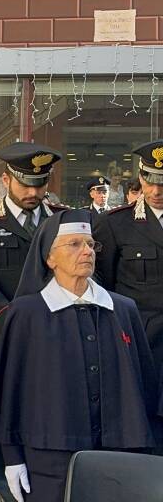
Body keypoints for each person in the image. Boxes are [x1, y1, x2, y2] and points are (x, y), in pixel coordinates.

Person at [0, 209, 161, 502]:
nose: (87, 252)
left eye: (90, 244)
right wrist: (12, 457)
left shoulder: (123, 309)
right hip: (49, 457)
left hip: (119, 455)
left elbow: (145, 385)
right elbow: (9, 390)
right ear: (49, 258)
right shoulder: (26, 314)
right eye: (74, 244)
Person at [0, 141, 66, 435]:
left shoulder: (61, 219)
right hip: (2, 337)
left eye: (40, 184)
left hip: (54, 338)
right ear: (6, 180)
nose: (33, 193)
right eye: (25, 185)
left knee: (48, 424)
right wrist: (17, 322)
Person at [94, 139, 163, 367]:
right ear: (141, 177)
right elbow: (104, 283)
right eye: (149, 181)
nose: (155, 191)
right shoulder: (115, 224)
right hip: (140, 340)